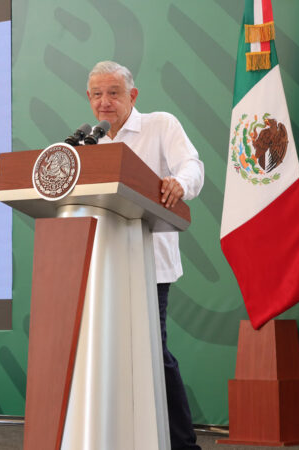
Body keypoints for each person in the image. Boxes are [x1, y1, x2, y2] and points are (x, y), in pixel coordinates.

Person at [86, 60, 204, 450]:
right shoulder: (89, 143)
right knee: (112, 356)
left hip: (149, 263)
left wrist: (179, 184)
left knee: (153, 354)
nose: (105, 102)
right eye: (97, 95)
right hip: (103, 265)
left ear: (132, 96)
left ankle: (183, 444)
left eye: (113, 93)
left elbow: (193, 165)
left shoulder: (160, 125)